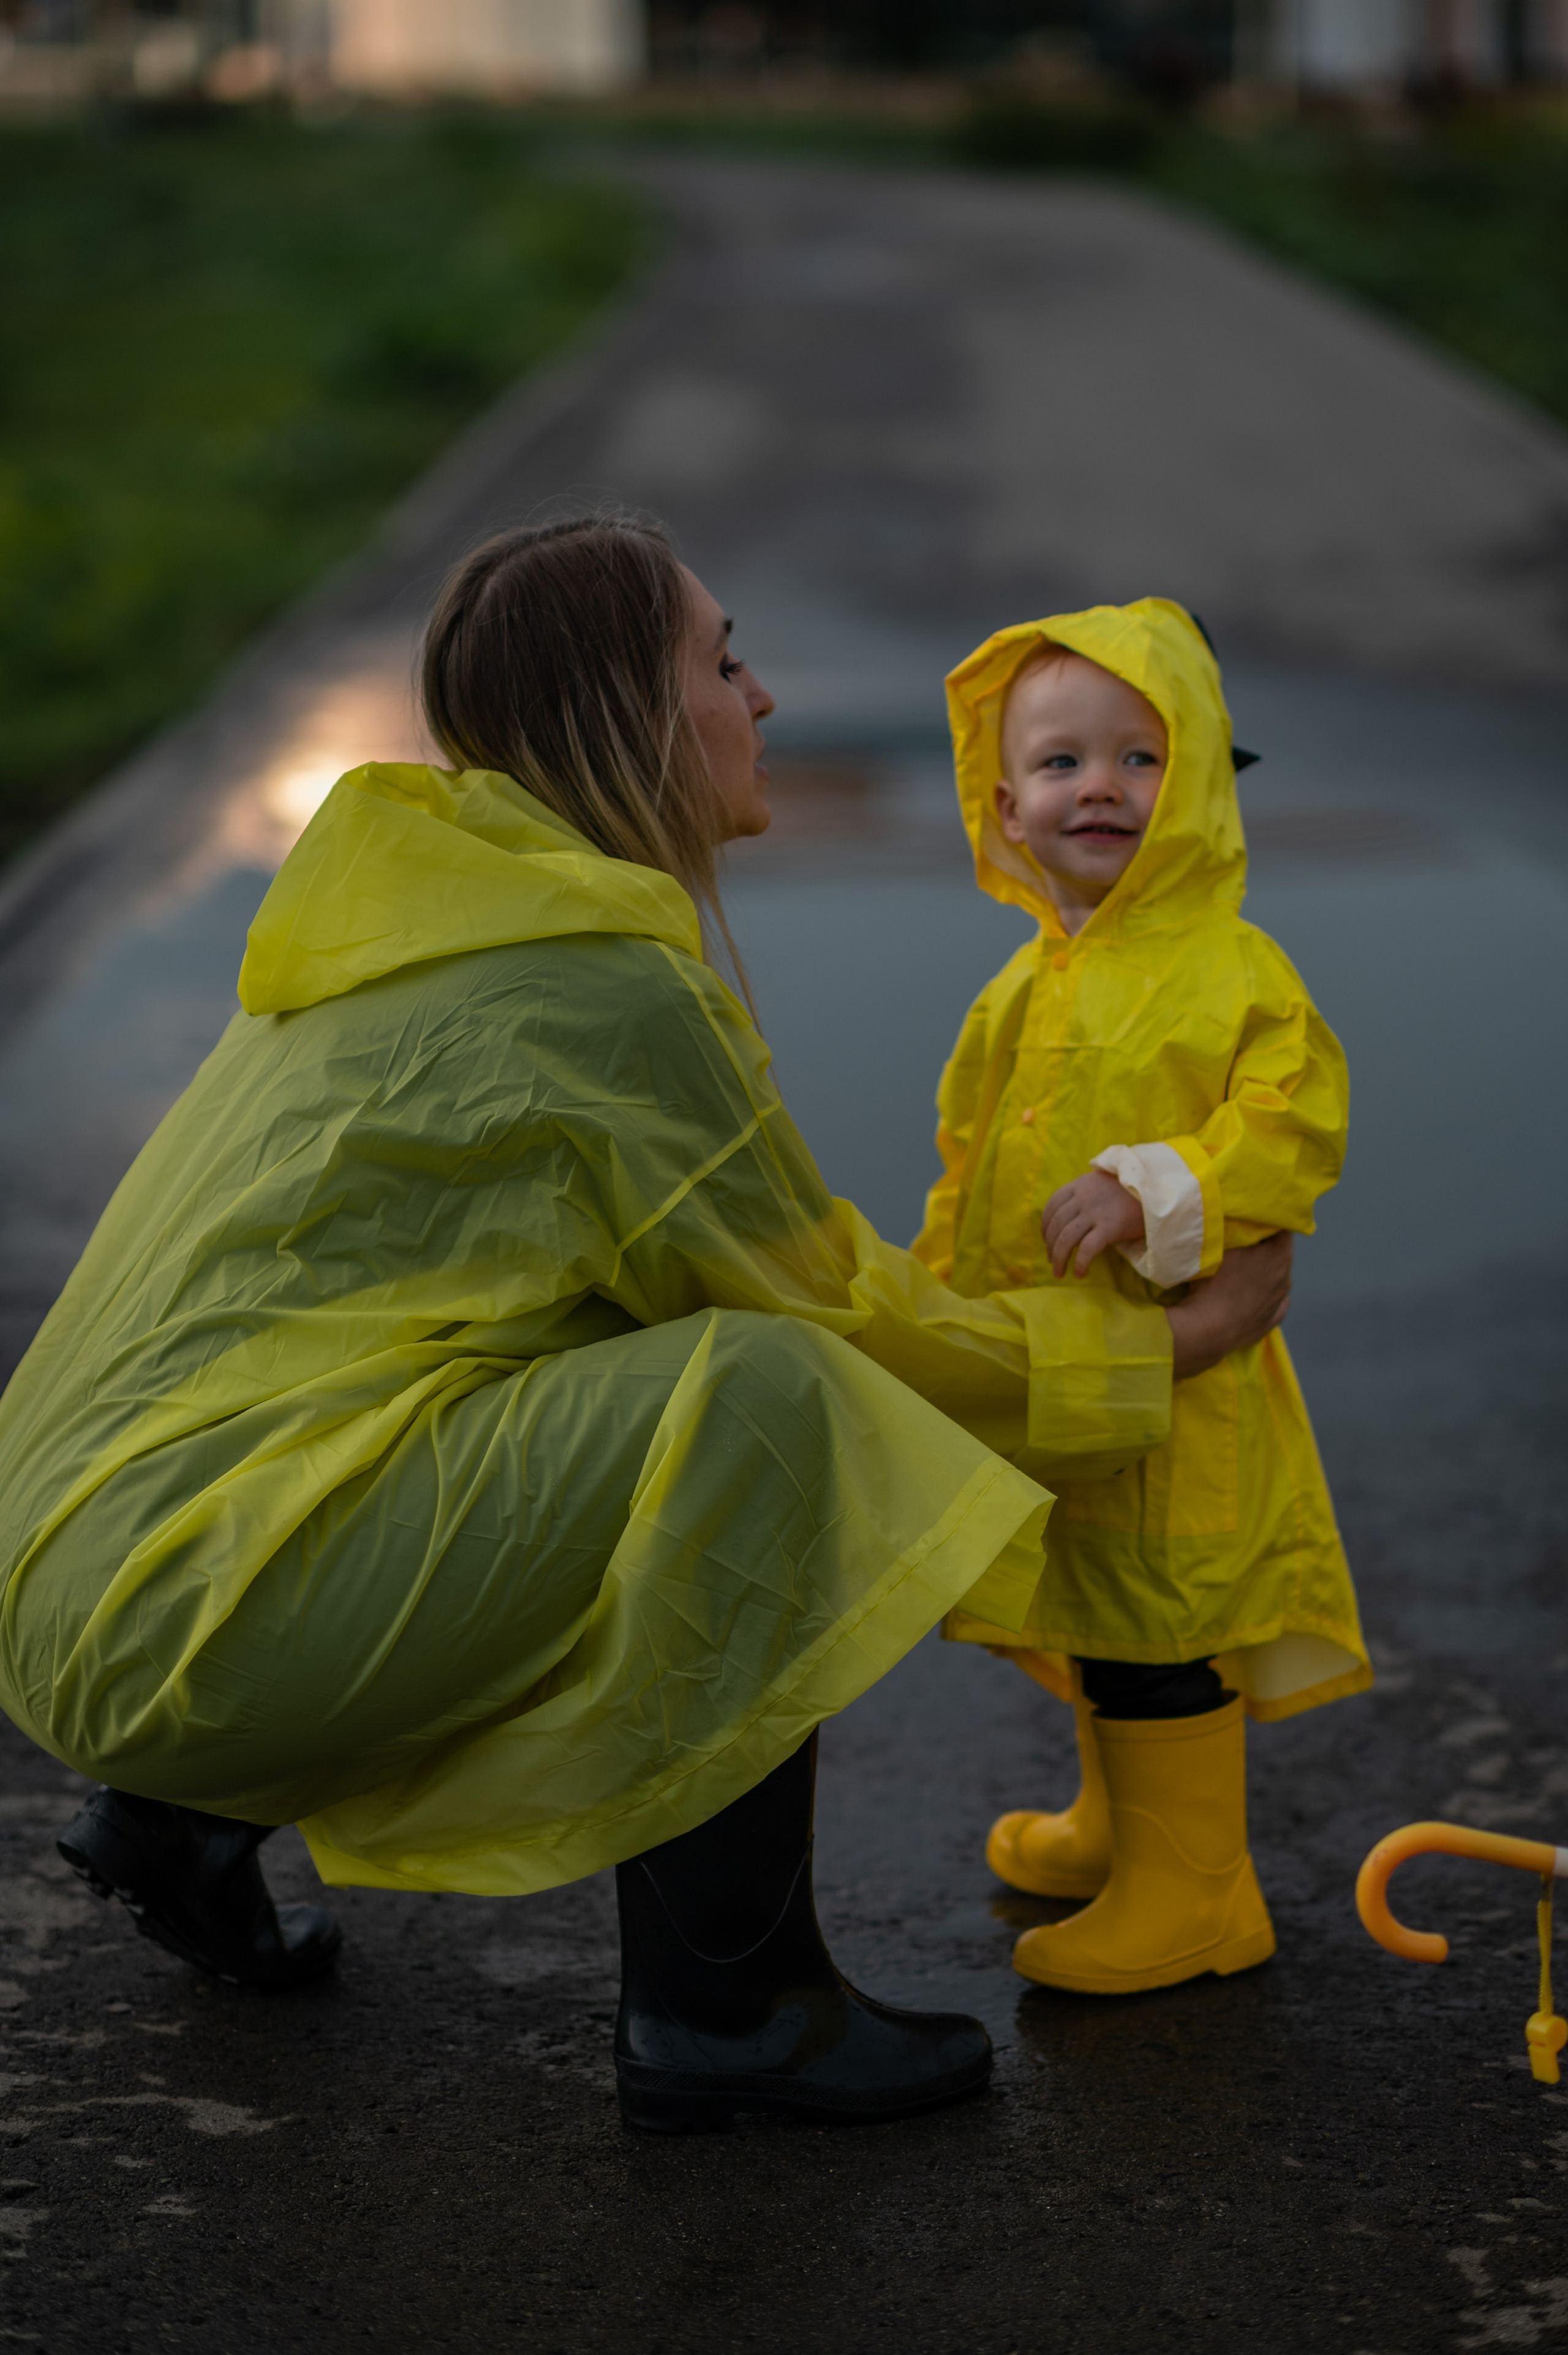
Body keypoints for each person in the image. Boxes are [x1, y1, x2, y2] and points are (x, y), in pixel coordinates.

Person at [0, 526, 1289, 2133]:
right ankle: (734, 2006)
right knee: (766, 1394)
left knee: (584, 1351)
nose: (763, 693)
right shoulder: (593, 984)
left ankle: (185, 1816)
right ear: (629, 707)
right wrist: (1157, 1346)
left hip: (101, 1562)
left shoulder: (428, 904)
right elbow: (827, 1312)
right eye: (722, 660)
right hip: (190, 1595)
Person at [916, 599, 1367, 1997]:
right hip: (1061, 1370)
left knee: (1161, 1620)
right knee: (1096, 1601)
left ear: (1202, 784)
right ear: (1001, 802)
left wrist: (1155, 1182)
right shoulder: (1019, 982)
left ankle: (1197, 1890)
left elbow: (1291, 1126)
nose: (1096, 788)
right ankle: (1120, 1821)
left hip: (1180, 1387)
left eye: (1138, 758)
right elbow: (968, 1161)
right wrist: (934, 1316)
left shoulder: (1231, 967)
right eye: (1059, 763)